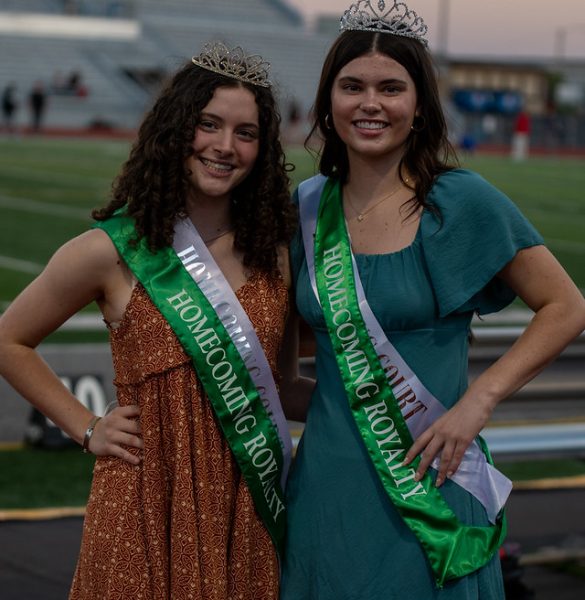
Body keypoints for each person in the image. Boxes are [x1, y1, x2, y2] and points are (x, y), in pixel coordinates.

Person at [280, 1, 585, 598]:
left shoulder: (458, 201)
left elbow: (567, 306)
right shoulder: (307, 209)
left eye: (391, 88)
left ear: (419, 105)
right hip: (328, 484)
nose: (370, 103)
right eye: (352, 87)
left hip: (431, 478)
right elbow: (288, 359)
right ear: (328, 101)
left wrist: (480, 401)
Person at [0, 41, 299, 599]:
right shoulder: (110, 251)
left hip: (244, 501)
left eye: (246, 133)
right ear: (176, 130)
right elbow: (9, 340)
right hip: (144, 495)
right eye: (208, 124)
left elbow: (279, 388)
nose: (224, 146)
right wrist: (87, 428)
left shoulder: (274, 254)